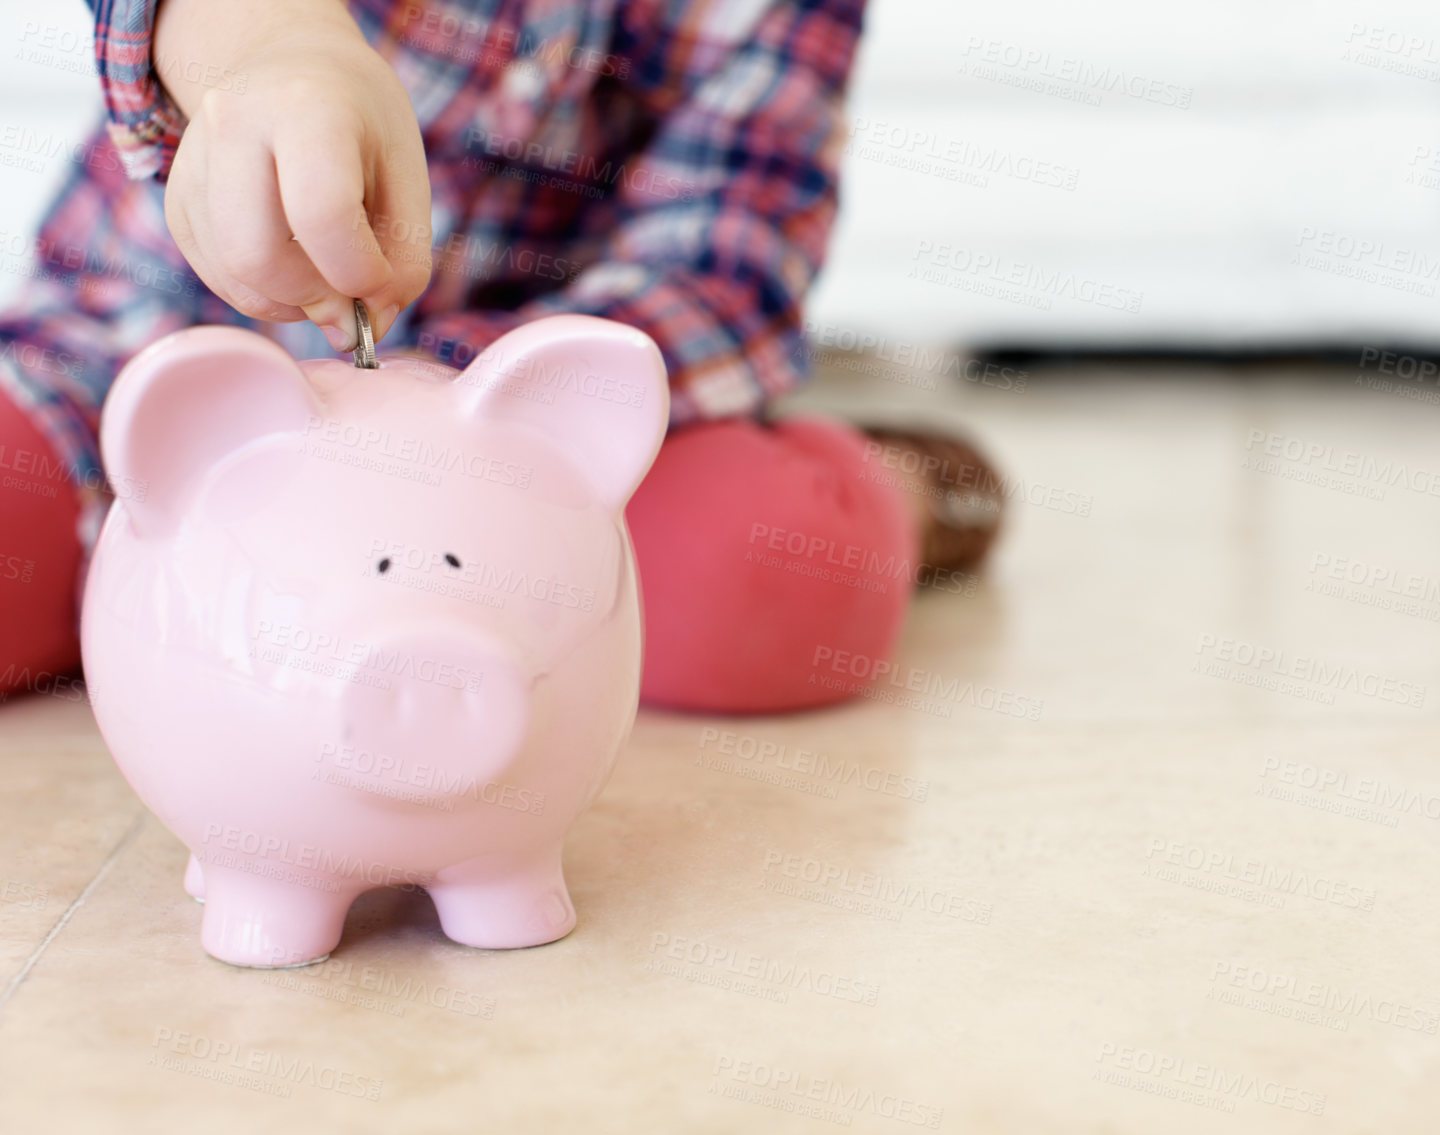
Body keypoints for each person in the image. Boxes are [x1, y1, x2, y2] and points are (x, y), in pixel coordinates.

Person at [0, 0, 1001, 713]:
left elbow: (718, 268)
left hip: (530, 431)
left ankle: (886, 483)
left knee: (755, 578)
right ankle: (148, 587)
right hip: (139, 354)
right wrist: (268, 39)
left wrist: (434, 406)